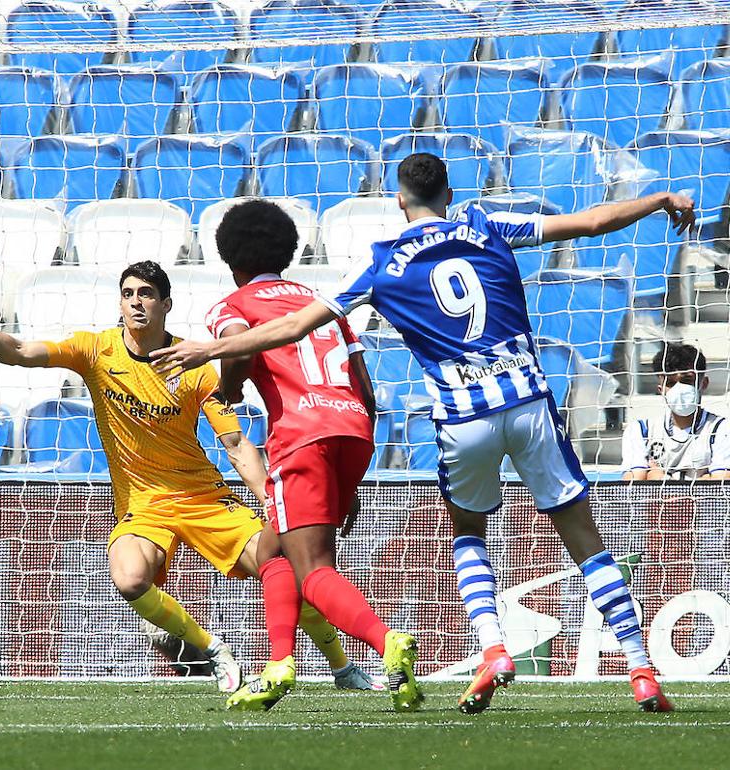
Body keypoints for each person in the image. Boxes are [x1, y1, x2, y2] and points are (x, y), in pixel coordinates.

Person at [152, 153, 695, 713]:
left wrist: (208, 348)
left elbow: (289, 327)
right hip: (527, 399)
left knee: (467, 534)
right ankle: (639, 667)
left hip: (463, 417)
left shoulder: (381, 264)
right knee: (584, 542)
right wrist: (659, 200)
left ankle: (493, 650)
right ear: (450, 194)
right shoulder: (487, 223)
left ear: (399, 200)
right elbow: (590, 222)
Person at [0, 260, 375, 693]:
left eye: (147, 294)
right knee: (129, 577)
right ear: (120, 304)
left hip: (205, 499)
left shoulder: (194, 369)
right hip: (144, 507)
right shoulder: (95, 351)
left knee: (289, 567)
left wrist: (270, 497)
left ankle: (342, 665)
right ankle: (214, 652)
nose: (136, 302)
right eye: (128, 294)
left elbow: (236, 445)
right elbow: (21, 352)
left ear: (166, 304)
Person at [202, 199, 423, 713]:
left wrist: (230, 390)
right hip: (353, 429)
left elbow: (237, 351)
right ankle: (278, 666)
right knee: (273, 549)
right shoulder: (322, 301)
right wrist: (354, 476)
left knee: (313, 570)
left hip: (301, 434)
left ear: (227, 257)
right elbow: (365, 386)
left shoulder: (231, 306)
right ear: (288, 251)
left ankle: (386, 641)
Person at [622, 342, 730, 480]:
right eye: (671, 383)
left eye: (687, 381)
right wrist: (704, 478)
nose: (679, 390)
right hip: (658, 503)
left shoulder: (722, 429)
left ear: (704, 384)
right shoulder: (640, 431)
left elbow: (721, 485)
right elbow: (633, 487)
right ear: (661, 390)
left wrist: (659, 477)